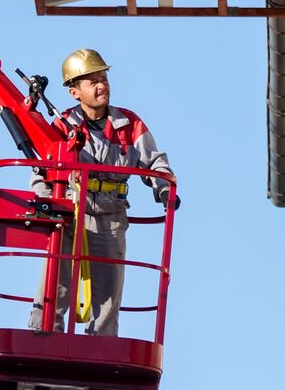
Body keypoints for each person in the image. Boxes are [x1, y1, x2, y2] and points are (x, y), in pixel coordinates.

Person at [28, 47, 177, 337]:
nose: (101, 86)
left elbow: (155, 161)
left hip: (110, 219)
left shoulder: (129, 124)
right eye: (92, 81)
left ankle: (101, 346)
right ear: (75, 92)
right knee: (54, 286)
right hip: (69, 216)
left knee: (108, 296)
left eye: (104, 78)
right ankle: (42, 338)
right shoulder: (62, 126)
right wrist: (45, 205)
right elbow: (40, 171)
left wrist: (164, 190)